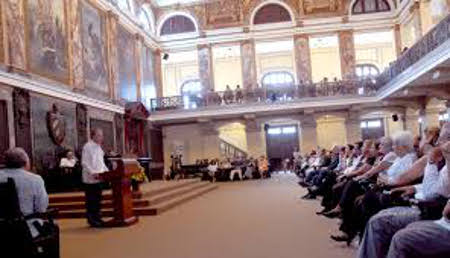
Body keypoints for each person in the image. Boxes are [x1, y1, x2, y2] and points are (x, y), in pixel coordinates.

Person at [0, 148, 49, 238]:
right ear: (25, 162)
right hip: (26, 228)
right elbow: (41, 208)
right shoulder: (35, 179)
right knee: (52, 228)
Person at [386, 200, 450, 258]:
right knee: (410, 227)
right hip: (440, 222)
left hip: (445, 227)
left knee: (401, 238)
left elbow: (447, 212)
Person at [81, 128, 109, 227]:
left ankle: (98, 218)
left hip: (100, 178)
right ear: (93, 136)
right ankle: (92, 219)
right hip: (90, 179)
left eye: (101, 135)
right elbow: (84, 162)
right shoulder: (87, 146)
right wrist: (93, 173)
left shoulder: (99, 147)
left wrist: (107, 172)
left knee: (98, 200)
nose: (101, 138)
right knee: (91, 200)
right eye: (99, 135)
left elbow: (101, 162)